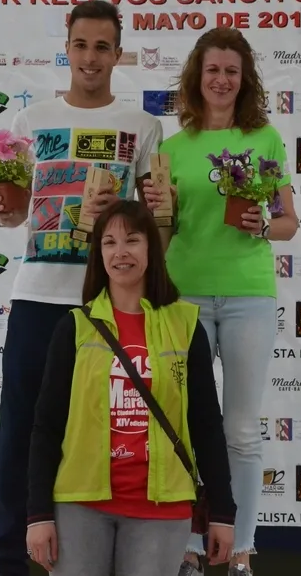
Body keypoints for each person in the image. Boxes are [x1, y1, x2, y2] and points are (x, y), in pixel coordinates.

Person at [0, 0, 164, 576]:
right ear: (67, 48)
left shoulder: (142, 127)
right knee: (19, 430)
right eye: (81, 45)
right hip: (37, 296)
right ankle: (5, 559)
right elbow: (14, 217)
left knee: (95, 434)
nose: (90, 57)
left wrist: (123, 214)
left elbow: (155, 226)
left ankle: (87, 557)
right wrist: (4, 208)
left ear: (118, 53)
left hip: (103, 303)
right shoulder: (30, 122)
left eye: (102, 47)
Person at [142, 27, 299, 576]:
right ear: (197, 76)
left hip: (249, 296)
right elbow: (162, 235)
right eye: (213, 70)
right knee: (185, 426)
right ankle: (188, 546)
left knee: (241, 431)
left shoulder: (266, 140)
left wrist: (264, 225)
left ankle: (242, 549)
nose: (222, 80)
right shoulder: (171, 149)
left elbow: (288, 222)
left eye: (232, 71)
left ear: (244, 79)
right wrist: (158, 211)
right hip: (184, 295)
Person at [25, 200, 236, 576]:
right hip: (79, 505)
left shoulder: (186, 325)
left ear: (152, 249)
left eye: (132, 240)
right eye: (109, 242)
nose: (120, 252)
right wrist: (38, 514)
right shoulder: (74, 327)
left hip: (162, 509)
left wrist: (222, 511)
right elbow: (47, 426)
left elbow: (206, 424)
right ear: (99, 254)